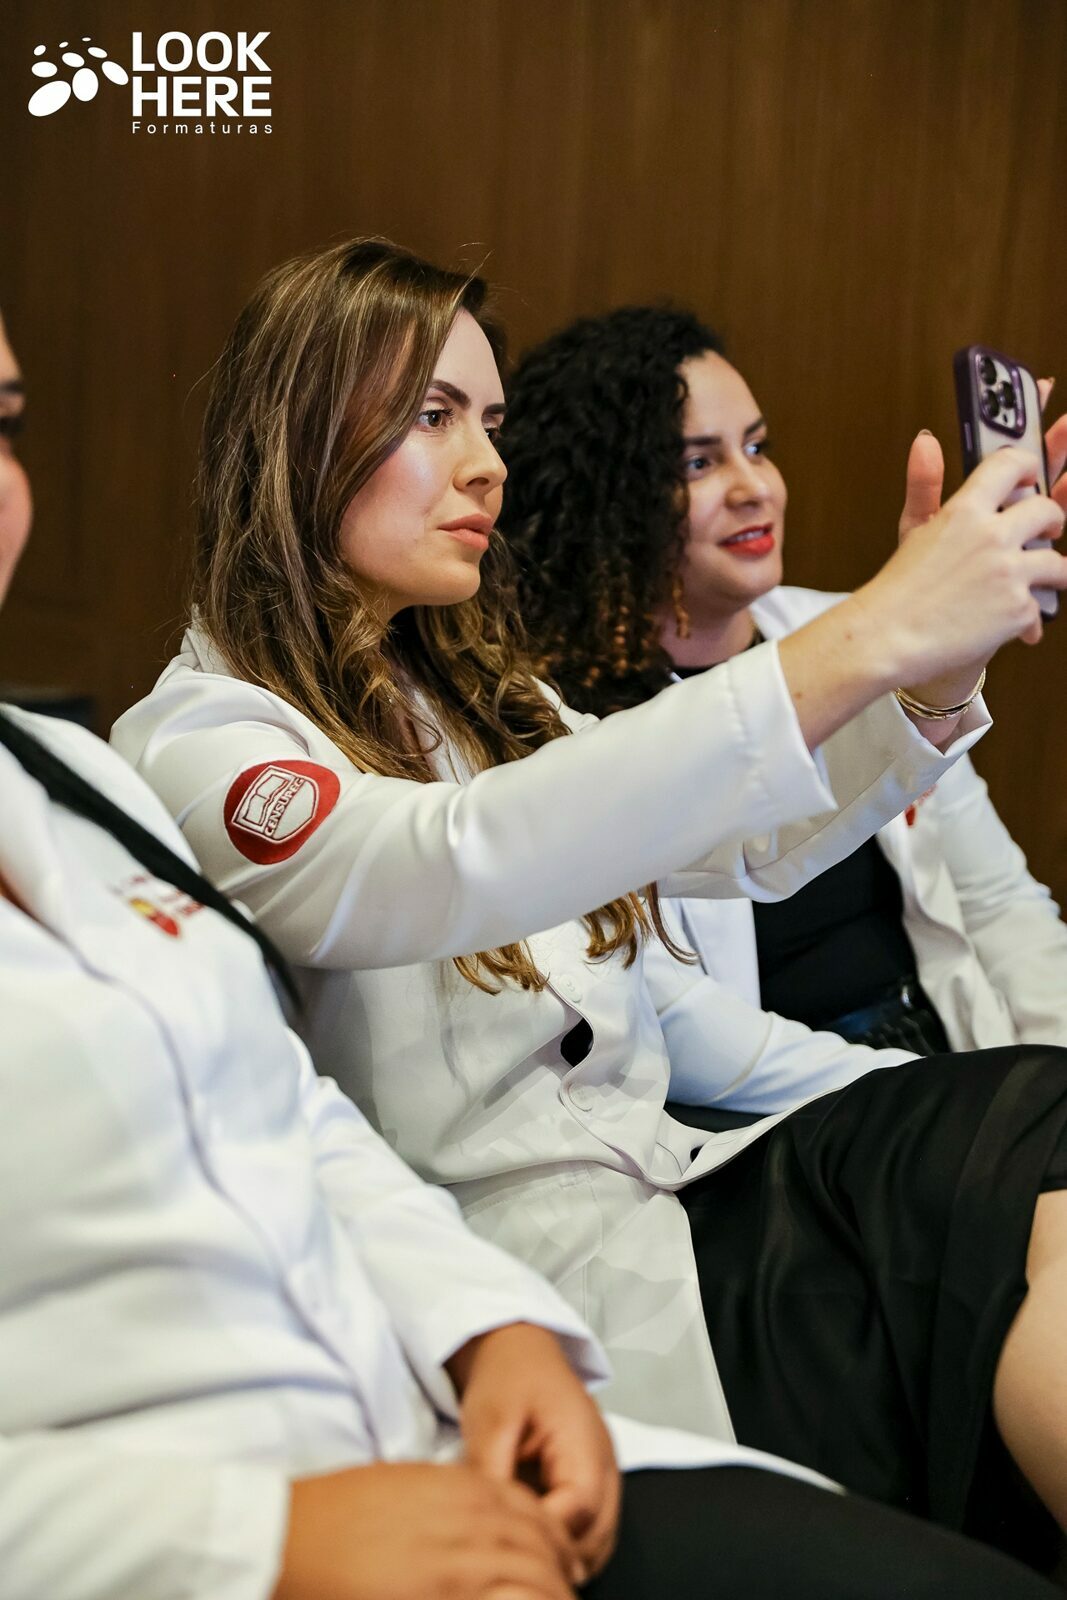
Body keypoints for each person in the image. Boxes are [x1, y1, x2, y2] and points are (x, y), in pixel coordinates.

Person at [4, 313, 1055, 1600]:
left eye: (492, 423)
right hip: (539, 1277)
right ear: (299, 439)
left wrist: (933, 671)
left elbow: (737, 833)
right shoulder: (200, 740)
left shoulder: (478, 693)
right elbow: (458, 857)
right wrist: (871, 629)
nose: (488, 464)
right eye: (433, 415)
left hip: (687, 1186)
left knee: (1033, 1128)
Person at [499, 305, 1067, 1121]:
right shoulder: (555, 724)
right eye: (699, 463)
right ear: (605, 493)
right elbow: (692, 1034)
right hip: (787, 1118)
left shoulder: (841, 629)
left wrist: (1047, 1071)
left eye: (757, 447)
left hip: (950, 1062)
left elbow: (997, 901)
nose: (754, 488)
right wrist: (944, 1107)